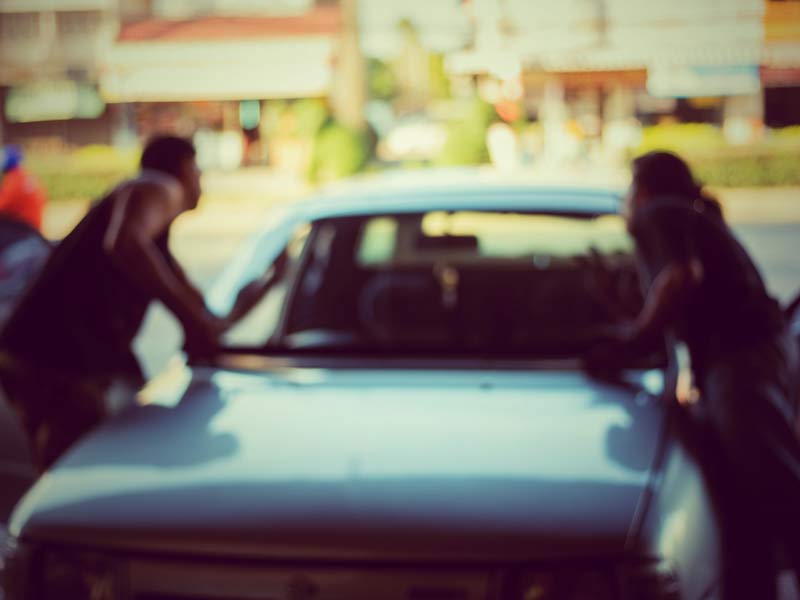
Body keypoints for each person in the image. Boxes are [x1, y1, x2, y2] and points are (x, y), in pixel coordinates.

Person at [0, 135, 284, 469]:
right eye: (198, 171)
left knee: (78, 464)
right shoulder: (159, 186)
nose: (201, 181)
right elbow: (124, 243)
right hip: (57, 358)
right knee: (82, 469)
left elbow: (203, 317)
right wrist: (190, 320)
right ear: (183, 168)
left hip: (41, 355)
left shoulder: (154, 239)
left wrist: (247, 301)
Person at [591, 150, 799, 599]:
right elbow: (674, 295)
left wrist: (631, 344)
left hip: (741, 361)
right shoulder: (688, 216)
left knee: (778, 487)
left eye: (627, 192)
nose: (625, 204)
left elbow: (682, 277)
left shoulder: (657, 213)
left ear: (641, 191)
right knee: (751, 498)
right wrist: (625, 314)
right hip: (752, 354)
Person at [0, 145, 47, 232]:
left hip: (24, 227)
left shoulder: (14, 180)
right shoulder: (24, 175)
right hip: (34, 224)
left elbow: (2, 205)